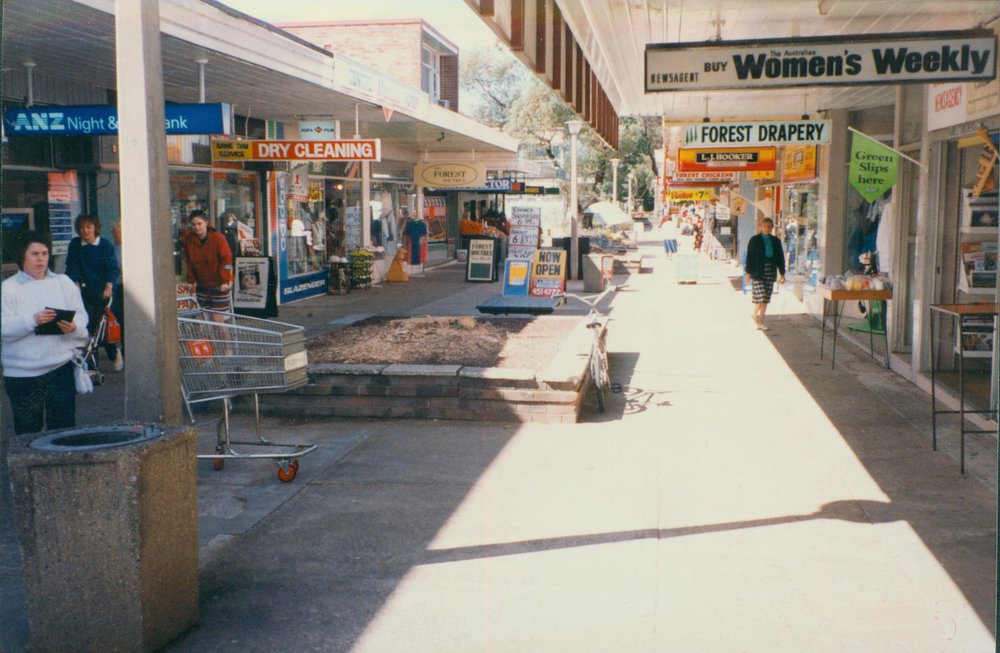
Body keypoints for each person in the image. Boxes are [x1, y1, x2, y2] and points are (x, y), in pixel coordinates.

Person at [2, 231, 89, 434]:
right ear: (22, 256)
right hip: (24, 375)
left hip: (60, 369)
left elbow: (81, 315)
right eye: (34, 254)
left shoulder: (63, 282)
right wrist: (32, 320)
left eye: (44, 253)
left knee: (63, 431)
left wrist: (74, 327)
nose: (41, 258)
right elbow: (3, 327)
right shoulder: (7, 289)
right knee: (27, 432)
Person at [65, 214, 123, 371]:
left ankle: (113, 352)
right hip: (83, 290)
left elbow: (112, 268)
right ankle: (91, 364)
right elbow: (72, 266)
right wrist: (74, 282)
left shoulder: (104, 245)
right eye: (82, 227)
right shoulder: (75, 244)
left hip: (103, 290)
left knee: (101, 326)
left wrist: (109, 286)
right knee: (87, 327)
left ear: (95, 228)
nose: (85, 231)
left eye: (89, 227)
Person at [183, 209, 234, 321]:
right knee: (207, 321)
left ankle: (223, 339)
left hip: (219, 285)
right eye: (193, 225)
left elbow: (227, 260)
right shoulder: (189, 240)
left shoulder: (218, 238)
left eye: (199, 224)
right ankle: (211, 339)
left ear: (206, 223)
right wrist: (191, 281)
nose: (197, 227)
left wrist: (225, 280)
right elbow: (189, 263)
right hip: (203, 286)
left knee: (217, 320)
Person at [744, 217, 786, 330]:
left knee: (766, 297)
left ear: (772, 228)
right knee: (760, 296)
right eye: (764, 227)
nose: (766, 229)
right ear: (760, 227)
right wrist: (748, 272)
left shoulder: (776, 241)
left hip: (770, 269)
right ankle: (754, 318)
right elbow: (750, 257)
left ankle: (761, 321)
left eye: (769, 227)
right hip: (758, 270)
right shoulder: (754, 240)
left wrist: (782, 273)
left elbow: (780, 258)